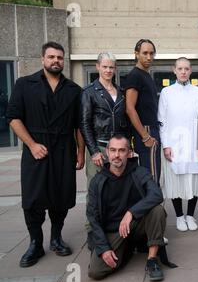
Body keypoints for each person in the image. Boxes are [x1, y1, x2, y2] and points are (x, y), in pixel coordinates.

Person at [6, 41, 85, 267]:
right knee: (33, 200)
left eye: (59, 58)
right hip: (36, 151)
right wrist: (31, 144)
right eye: (51, 57)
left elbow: (79, 125)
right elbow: (13, 118)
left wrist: (81, 152)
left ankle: (56, 238)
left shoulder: (73, 90)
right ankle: (35, 243)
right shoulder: (24, 84)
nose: (56, 61)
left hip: (63, 150)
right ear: (43, 59)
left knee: (61, 198)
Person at [87, 135, 167, 281]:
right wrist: (104, 249)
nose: (117, 155)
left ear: (129, 153)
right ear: (107, 152)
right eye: (113, 150)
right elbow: (93, 218)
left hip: (135, 225)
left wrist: (131, 212)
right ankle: (127, 249)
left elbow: (156, 194)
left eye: (121, 150)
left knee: (157, 210)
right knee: (95, 272)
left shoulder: (139, 172)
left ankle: (152, 260)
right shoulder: (97, 181)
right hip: (113, 231)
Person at [158, 57, 198, 232]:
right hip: (174, 144)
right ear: (174, 70)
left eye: (186, 68)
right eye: (180, 68)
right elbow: (161, 120)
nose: (183, 71)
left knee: (194, 179)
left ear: (191, 70)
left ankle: (191, 215)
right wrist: (165, 144)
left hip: (195, 142)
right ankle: (179, 216)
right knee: (176, 182)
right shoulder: (166, 92)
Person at [80, 51, 129, 193]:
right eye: (105, 66)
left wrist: (129, 147)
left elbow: (125, 121)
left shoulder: (121, 92)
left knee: (118, 188)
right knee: (96, 188)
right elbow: (84, 123)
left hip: (118, 148)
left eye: (111, 67)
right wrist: (94, 151)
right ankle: (94, 216)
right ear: (98, 67)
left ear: (115, 69)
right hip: (99, 147)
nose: (108, 70)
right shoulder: (88, 92)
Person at [123, 39, 161, 183]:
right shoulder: (135, 75)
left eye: (152, 53)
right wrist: (145, 136)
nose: (149, 57)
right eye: (145, 53)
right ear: (136, 54)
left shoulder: (146, 75)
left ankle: (152, 205)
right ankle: (151, 206)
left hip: (151, 129)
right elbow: (130, 108)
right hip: (145, 131)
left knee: (154, 174)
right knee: (150, 177)